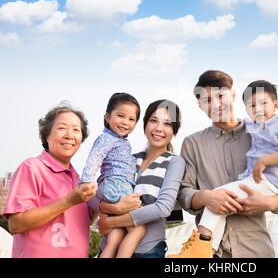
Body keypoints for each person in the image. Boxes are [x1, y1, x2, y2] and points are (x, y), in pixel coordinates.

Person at [168, 79, 278, 257]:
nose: (216, 104)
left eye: (220, 96)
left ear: (232, 95)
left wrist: (269, 203)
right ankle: (202, 248)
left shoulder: (260, 134)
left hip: (256, 251)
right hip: (214, 255)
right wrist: (206, 197)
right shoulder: (192, 143)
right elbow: (183, 193)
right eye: (207, 100)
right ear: (200, 106)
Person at [91, 99, 185, 258]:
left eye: (167, 124)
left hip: (147, 251)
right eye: (154, 121)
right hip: (110, 247)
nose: (159, 128)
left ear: (174, 130)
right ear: (145, 123)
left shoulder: (174, 162)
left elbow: (163, 208)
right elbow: (92, 196)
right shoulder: (127, 159)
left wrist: (112, 221)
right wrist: (114, 208)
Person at [3, 103, 97, 258]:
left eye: (76, 129)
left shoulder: (78, 178)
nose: (69, 135)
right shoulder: (32, 168)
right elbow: (16, 224)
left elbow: (79, 223)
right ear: (46, 135)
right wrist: (68, 201)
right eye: (62, 128)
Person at [80, 92, 145, 258]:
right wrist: (85, 183)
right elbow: (94, 158)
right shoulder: (107, 138)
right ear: (108, 117)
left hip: (112, 187)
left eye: (131, 119)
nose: (125, 122)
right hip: (116, 187)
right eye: (120, 116)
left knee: (115, 237)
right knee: (138, 230)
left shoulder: (120, 140)